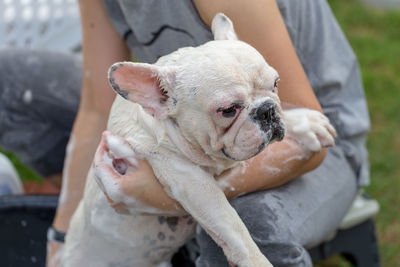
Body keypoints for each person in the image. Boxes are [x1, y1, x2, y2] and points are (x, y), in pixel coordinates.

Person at [0, 0, 370, 266]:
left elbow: (294, 133)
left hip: (318, 137)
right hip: (180, 113)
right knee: (9, 80)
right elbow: (98, 105)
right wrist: (62, 235)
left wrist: (164, 195)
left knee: (248, 232)